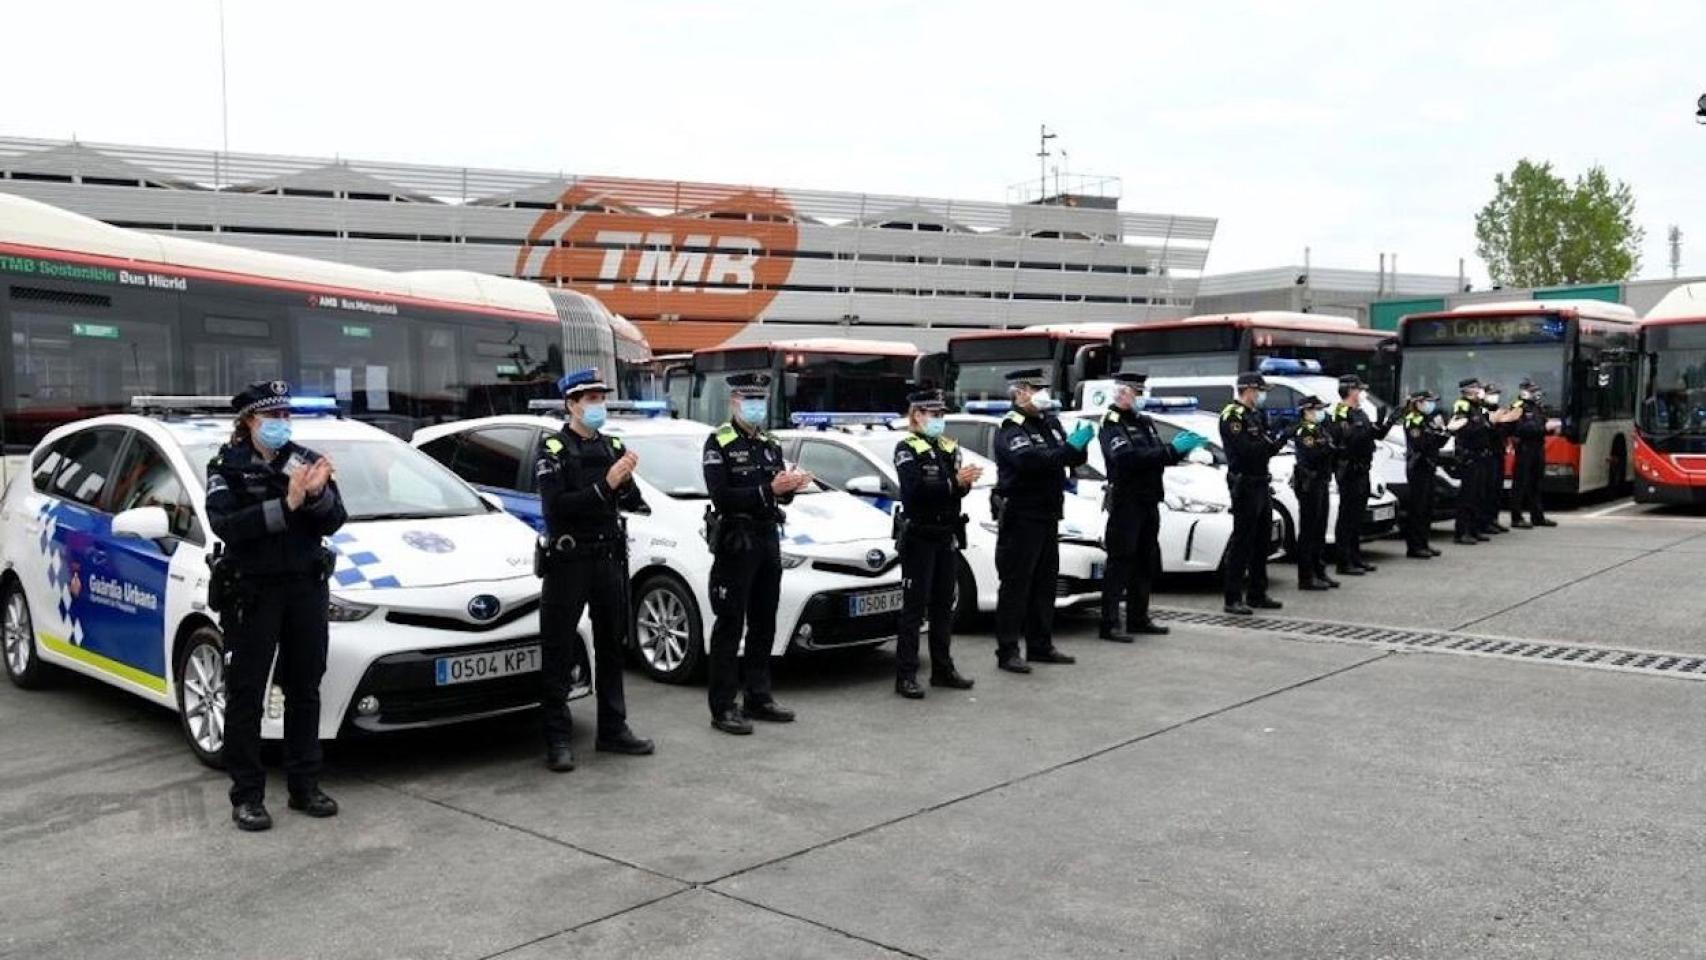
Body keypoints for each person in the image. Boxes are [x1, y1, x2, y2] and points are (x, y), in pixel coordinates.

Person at [205, 380, 346, 832]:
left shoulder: (305, 460)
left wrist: (318, 495)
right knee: (247, 694)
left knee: (305, 687)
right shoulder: (226, 466)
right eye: (272, 417)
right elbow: (227, 523)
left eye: (286, 415)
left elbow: (336, 519)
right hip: (254, 591)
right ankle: (247, 796)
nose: (281, 424)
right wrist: (288, 503)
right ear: (249, 422)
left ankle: (305, 786)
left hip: (305, 587)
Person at [533, 368, 655, 771]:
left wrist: (625, 480)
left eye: (602, 398)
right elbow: (557, 508)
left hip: (607, 558)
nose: (598, 405)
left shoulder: (612, 445)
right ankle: (558, 740)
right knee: (558, 648)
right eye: (590, 399)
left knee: (611, 647)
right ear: (571, 403)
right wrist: (606, 484)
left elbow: (633, 501)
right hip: (569, 560)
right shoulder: (553, 448)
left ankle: (613, 729)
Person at [701, 372, 813, 734]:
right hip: (737, 539)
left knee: (764, 620)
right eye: (749, 400)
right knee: (730, 624)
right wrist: (769, 489)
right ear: (734, 402)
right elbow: (721, 496)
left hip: (767, 537)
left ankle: (758, 696)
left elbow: (778, 493)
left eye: (760, 400)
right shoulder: (718, 442)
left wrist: (791, 486)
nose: (756, 406)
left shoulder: (769, 442)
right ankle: (723, 707)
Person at [991, 368, 1092, 673]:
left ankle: (1040, 645)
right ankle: (1007, 651)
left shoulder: (1049, 421)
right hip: (1022, 513)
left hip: (1048, 512)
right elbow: (1029, 461)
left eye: (1044, 387)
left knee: (1044, 583)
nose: (1042, 393)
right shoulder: (1012, 426)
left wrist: (1080, 445)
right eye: (1036, 388)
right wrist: (1066, 450)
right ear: (1019, 392)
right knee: (1016, 585)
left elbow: (1071, 459)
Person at [1097, 371, 1206, 638]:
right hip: (1126, 501)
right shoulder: (1112, 423)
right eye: (1138, 393)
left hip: (1148, 499)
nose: (1142, 398)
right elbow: (1126, 458)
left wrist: (1179, 451)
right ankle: (1109, 623)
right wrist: (1168, 451)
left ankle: (1138, 617)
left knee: (1145, 561)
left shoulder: (1144, 421)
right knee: (1120, 562)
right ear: (1123, 394)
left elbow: (1156, 455)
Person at [891, 388, 980, 698]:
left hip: (946, 535)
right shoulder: (906, 448)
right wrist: (952, 483)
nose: (940, 420)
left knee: (944, 606)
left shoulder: (948, 447)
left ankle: (943, 669)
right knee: (914, 609)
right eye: (934, 414)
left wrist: (964, 484)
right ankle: (906, 675)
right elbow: (913, 491)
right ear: (917, 415)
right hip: (920, 536)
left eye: (942, 415)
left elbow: (955, 492)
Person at [1219, 371, 1294, 615]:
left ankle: (1257, 593)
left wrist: (1281, 437)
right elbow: (1247, 450)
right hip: (1245, 484)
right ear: (1248, 390)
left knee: (1262, 540)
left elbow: (1266, 449)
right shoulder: (1233, 416)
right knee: (1243, 541)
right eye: (1260, 391)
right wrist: (1270, 441)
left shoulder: (1254, 415)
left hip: (1261, 482)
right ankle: (1232, 598)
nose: (1262, 396)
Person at [1328, 374, 1379, 576]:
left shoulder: (1360, 412)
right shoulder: (1340, 412)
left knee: (1357, 517)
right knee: (1347, 517)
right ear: (1350, 391)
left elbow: (1370, 436)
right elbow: (1346, 438)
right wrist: (1364, 432)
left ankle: (1356, 558)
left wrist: (1383, 423)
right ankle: (1344, 561)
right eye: (1359, 389)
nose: (1362, 393)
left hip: (1362, 468)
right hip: (1348, 470)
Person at [1290, 395, 1338, 590]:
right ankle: (1306, 577)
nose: (1321, 413)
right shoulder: (1304, 431)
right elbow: (1314, 454)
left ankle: (1320, 571)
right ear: (1307, 411)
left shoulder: (1319, 430)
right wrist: (1327, 447)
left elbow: (1330, 450)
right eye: (1317, 409)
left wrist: (1327, 447)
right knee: (1309, 532)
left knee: (1319, 531)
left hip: (1321, 481)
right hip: (1309, 484)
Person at [1400, 389, 1448, 559]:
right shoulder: (1413, 420)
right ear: (1418, 403)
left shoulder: (1428, 420)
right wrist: (1434, 434)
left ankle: (1424, 542)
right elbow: (1420, 443)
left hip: (1429, 467)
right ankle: (1414, 546)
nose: (1431, 405)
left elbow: (1439, 443)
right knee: (1417, 508)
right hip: (1418, 468)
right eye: (1428, 401)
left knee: (1427, 507)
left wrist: (1444, 430)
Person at [1447, 378, 1493, 546]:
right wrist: (1481, 427)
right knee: (1467, 496)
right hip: (1468, 456)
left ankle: (1474, 529)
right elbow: (1463, 429)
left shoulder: (1477, 407)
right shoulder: (1463, 406)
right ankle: (1462, 532)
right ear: (1468, 390)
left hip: (1480, 455)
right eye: (1476, 388)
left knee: (1478, 495)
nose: (1479, 391)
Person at [1508, 378, 1558, 528]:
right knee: (1520, 484)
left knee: (1536, 483)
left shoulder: (1537, 407)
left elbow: (1540, 424)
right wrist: (1544, 428)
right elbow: (1521, 429)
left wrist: (1550, 428)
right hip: (1524, 448)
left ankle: (1537, 516)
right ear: (1524, 392)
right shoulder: (1518, 407)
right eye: (1532, 391)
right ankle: (1516, 517)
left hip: (1537, 447)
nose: (1536, 394)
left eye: (1536, 391)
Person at [1480, 382, 1517, 536]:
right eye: (1492, 393)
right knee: (1486, 490)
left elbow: (1505, 432)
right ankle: (1484, 521)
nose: (1495, 397)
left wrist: (1511, 421)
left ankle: (1493, 519)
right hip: (1487, 453)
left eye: (1497, 394)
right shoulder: (1481, 410)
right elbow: (1485, 432)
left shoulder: (1498, 410)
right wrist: (1495, 421)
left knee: (1496, 489)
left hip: (1498, 452)